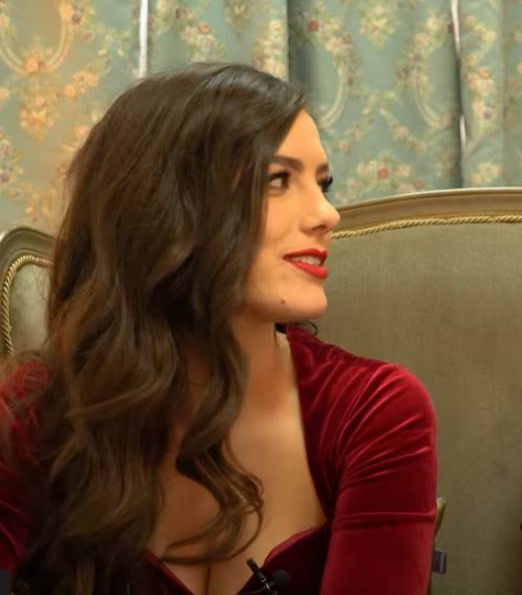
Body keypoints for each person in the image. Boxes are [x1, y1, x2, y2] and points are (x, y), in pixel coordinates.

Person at [0, 63, 437, 594]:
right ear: (166, 210)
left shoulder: (375, 411)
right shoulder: (34, 411)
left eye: (323, 184)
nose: (327, 214)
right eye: (279, 180)